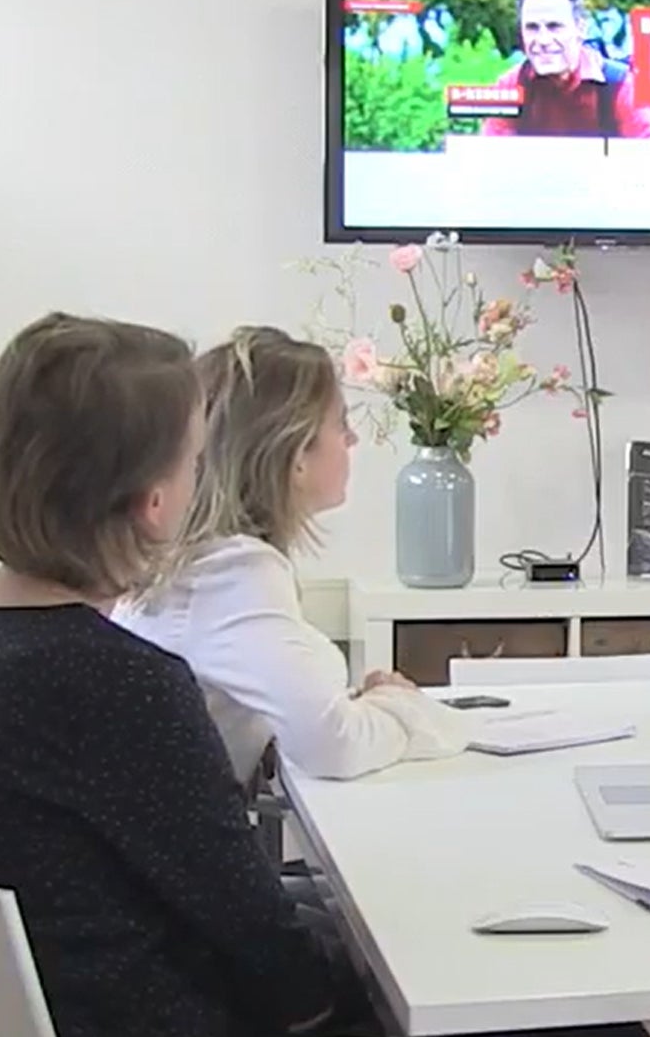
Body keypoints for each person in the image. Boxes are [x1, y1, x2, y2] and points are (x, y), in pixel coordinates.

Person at [0, 312, 650, 1037]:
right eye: (193, 463)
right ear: (152, 501)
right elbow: (272, 959)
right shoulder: (118, 684)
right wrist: (374, 970)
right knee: (547, 1005)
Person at [117, 326, 473, 784]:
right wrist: (401, 707)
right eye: (341, 424)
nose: (352, 440)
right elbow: (334, 745)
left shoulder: (200, 563)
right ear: (296, 454)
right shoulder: (234, 575)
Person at [480, 0, 650, 139]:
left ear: (581, 29)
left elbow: (648, 160)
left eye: (554, 27)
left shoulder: (620, 85)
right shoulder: (511, 85)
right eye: (532, 28)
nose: (543, 40)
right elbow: (489, 157)